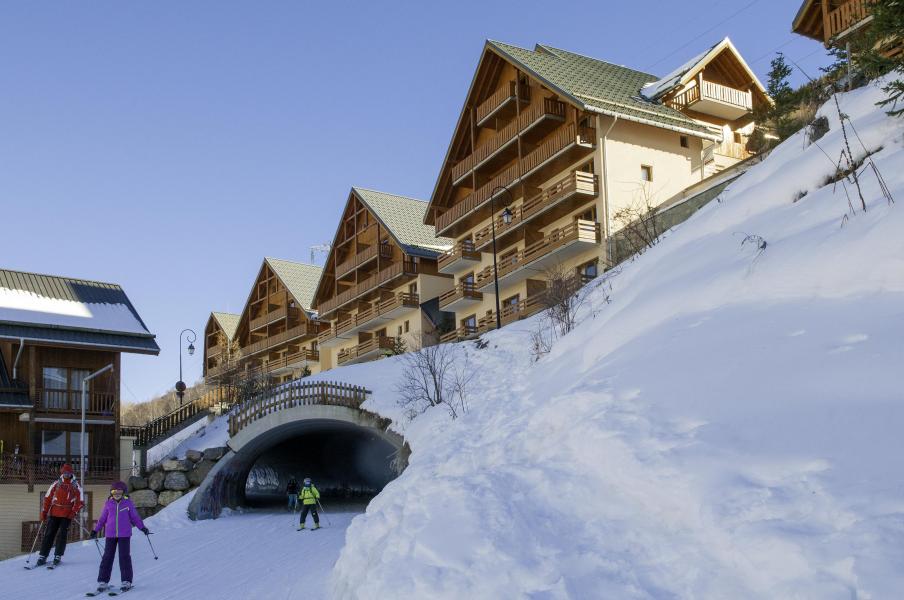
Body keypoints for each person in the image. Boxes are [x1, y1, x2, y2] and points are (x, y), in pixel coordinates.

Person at [89, 480, 149, 594]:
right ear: (111, 492)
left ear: (124, 492)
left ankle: (126, 581)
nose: (116, 493)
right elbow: (102, 519)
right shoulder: (108, 504)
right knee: (107, 557)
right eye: (114, 491)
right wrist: (95, 530)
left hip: (124, 535)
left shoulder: (128, 503)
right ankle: (103, 581)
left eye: (119, 491)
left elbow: (135, 518)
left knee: (124, 557)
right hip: (110, 535)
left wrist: (142, 528)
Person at [37, 463, 84, 567]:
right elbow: (47, 498)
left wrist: (73, 512)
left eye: (68, 473)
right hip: (54, 512)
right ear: (62, 473)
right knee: (49, 533)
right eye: (64, 473)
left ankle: (58, 555)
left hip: (67, 514)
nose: (66, 475)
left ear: (71, 473)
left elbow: (80, 502)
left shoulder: (76, 485)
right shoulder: (56, 484)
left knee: (62, 534)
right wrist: (44, 511)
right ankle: (43, 555)